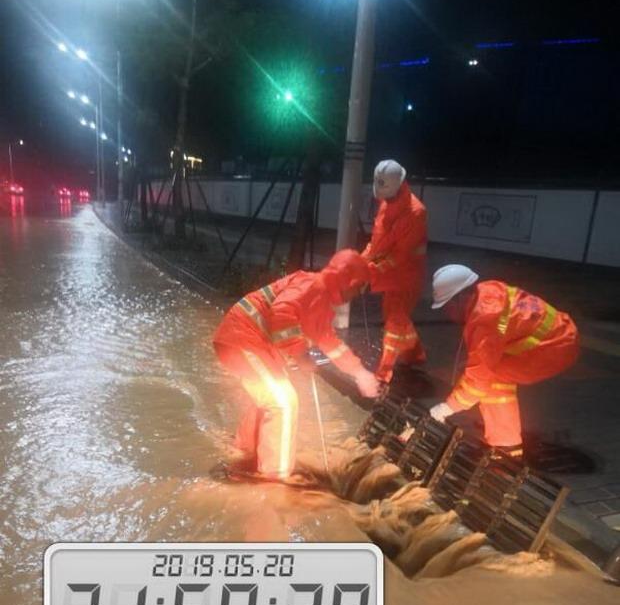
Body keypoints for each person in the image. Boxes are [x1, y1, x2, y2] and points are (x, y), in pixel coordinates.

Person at [213, 250, 381, 480]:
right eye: (359, 287)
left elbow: (330, 342)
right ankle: (275, 477)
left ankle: (244, 452)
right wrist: (301, 355)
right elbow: (282, 314)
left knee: (270, 399)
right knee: (283, 402)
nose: (358, 294)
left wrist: (360, 373)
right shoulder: (312, 286)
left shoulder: (320, 297)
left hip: (246, 341)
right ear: (348, 281)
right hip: (244, 340)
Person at [429, 264, 579, 458]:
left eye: (447, 306)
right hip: (561, 334)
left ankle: (505, 448)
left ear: (460, 297)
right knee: (482, 371)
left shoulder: (484, 322)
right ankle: (498, 426)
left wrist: (448, 407)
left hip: (554, 349)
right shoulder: (488, 291)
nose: (447, 313)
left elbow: (478, 381)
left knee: (493, 381)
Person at [361, 159, 428, 383]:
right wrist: (362, 261)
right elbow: (378, 241)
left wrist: (370, 270)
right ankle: (414, 354)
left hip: (407, 275)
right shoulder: (387, 201)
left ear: (399, 185)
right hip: (391, 274)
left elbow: (400, 254)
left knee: (394, 322)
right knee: (394, 316)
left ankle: (384, 372)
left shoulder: (416, 212)